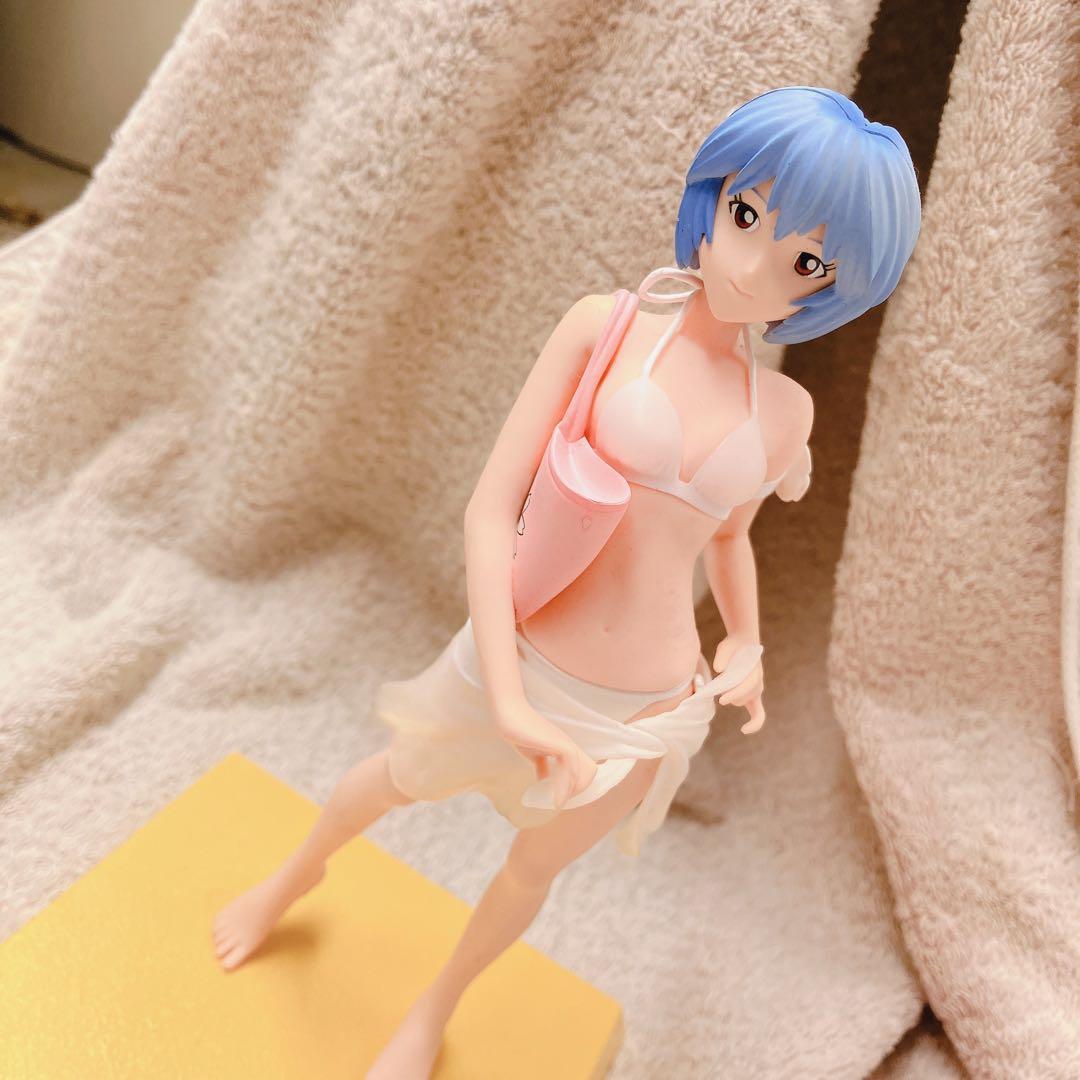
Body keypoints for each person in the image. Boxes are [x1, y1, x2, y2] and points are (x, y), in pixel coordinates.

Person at [210, 85, 921, 1078]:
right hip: (522, 653)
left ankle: (433, 1010)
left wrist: (747, 643)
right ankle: (293, 875)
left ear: (834, 287)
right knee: (390, 779)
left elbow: (728, 538)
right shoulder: (606, 329)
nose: (752, 264)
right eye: (746, 213)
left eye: (806, 262)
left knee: (530, 872)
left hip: (642, 708)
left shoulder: (785, 413)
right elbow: (489, 510)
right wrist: (506, 694)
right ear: (715, 196)